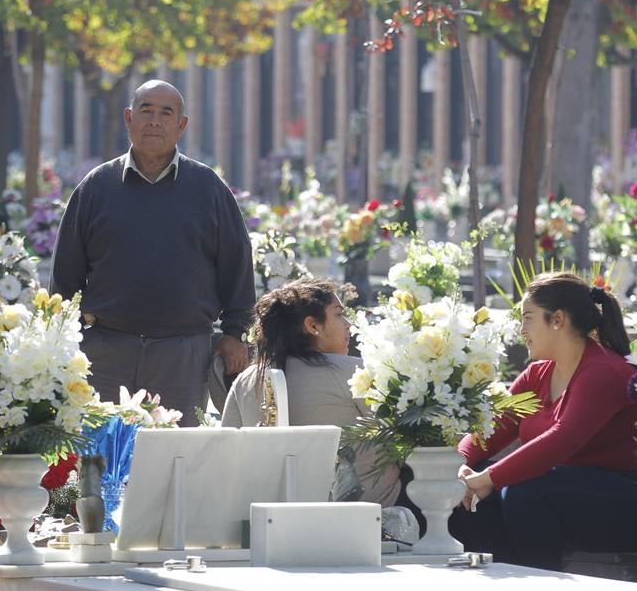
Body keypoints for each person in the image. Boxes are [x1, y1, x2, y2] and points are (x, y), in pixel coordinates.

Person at [51, 79, 255, 426]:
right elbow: (65, 274)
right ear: (129, 118)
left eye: (166, 113)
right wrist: (63, 340)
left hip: (183, 353)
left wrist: (235, 334)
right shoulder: (96, 187)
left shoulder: (208, 188)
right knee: (101, 459)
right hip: (105, 351)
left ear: (182, 125)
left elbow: (237, 266)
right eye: (146, 111)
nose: (155, 121)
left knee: (175, 459)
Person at [448, 272, 637, 569]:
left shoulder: (603, 370)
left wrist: (486, 479)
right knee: (462, 492)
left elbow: (563, 439)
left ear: (558, 320)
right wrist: (460, 466)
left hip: (626, 503)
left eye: (528, 318)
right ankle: (500, 577)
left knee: (522, 489)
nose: (522, 329)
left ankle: (544, 588)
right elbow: (490, 429)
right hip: (556, 490)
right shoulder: (536, 375)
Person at [221, 279, 400, 507]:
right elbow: (401, 441)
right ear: (313, 326)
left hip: (269, 516)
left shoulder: (247, 380)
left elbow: (228, 453)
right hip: (367, 515)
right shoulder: (354, 373)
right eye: (338, 315)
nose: (348, 324)